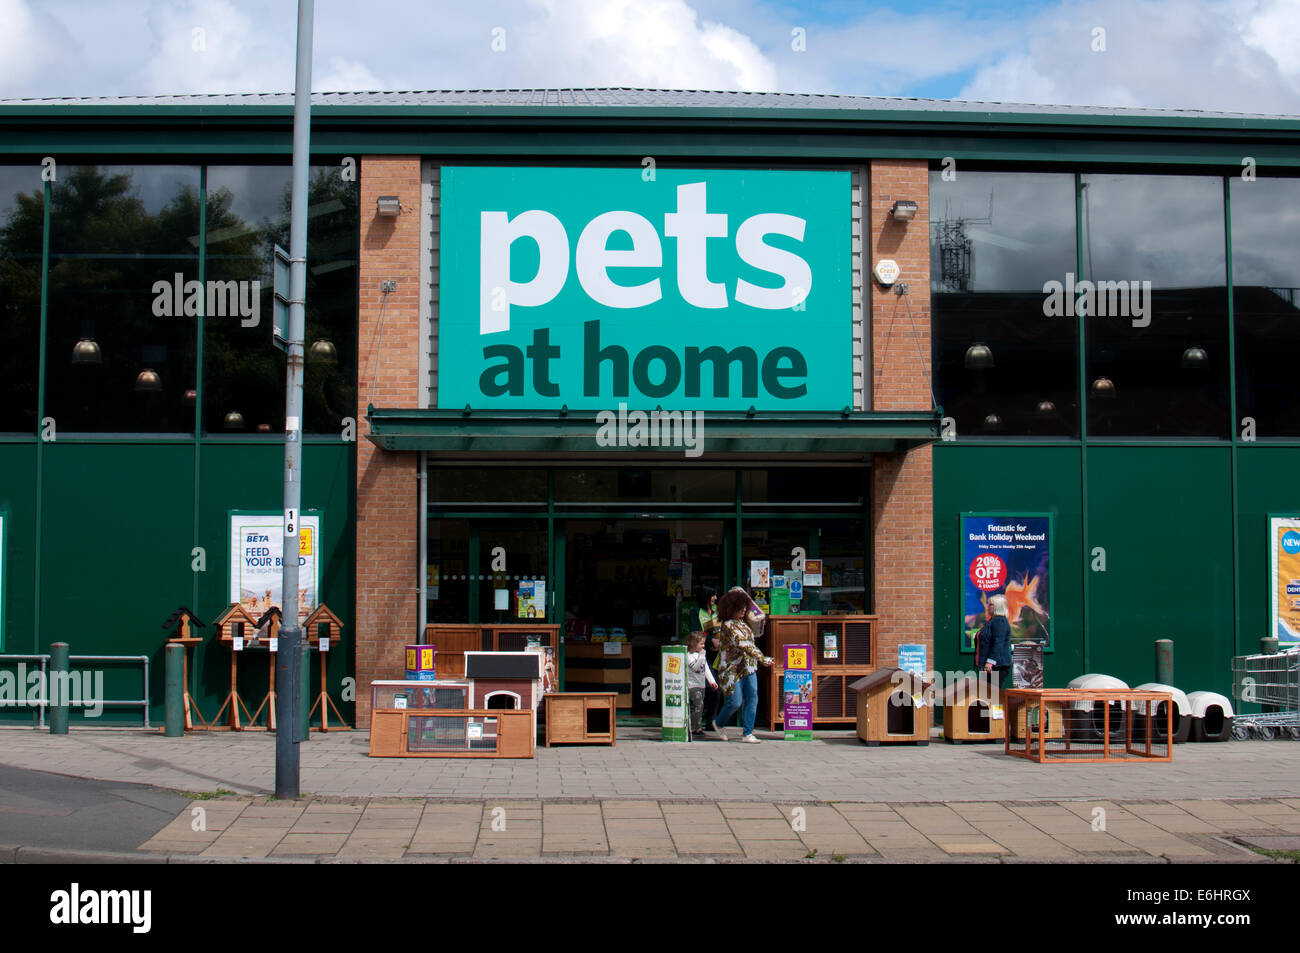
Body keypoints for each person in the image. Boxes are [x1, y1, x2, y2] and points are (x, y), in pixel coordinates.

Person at [710, 586, 773, 743]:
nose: (744, 610)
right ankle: (718, 723)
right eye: (740, 607)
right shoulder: (728, 626)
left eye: (745, 607)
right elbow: (744, 644)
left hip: (749, 667)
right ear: (731, 608)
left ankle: (748, 733)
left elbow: (754, 636)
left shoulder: (745, 625)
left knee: (753, 698)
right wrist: (762, 658)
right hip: (731, 669)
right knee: (735, 701)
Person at [977, 593, 1013, 693]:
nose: (988, 606)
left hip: (997, 666)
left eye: (991, 604)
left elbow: (998, 643)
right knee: (987, 695)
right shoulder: (993, 621)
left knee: (993, 696)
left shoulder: (999, 621)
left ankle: (996, 709)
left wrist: (990, 662)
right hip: (991, 666)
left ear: (998, 606)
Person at [685, 631, 717, 737]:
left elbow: (706, 669)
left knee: (700, 706)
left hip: (701, 684)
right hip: (692, 685)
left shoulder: (701, 656)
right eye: (701, 644)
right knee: (698, 705)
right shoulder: (689, 655)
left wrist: (712, 682)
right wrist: (702, 656)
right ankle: (695, 727)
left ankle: (697, 726)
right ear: (694, 644)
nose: (703, 646)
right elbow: (695, 667)